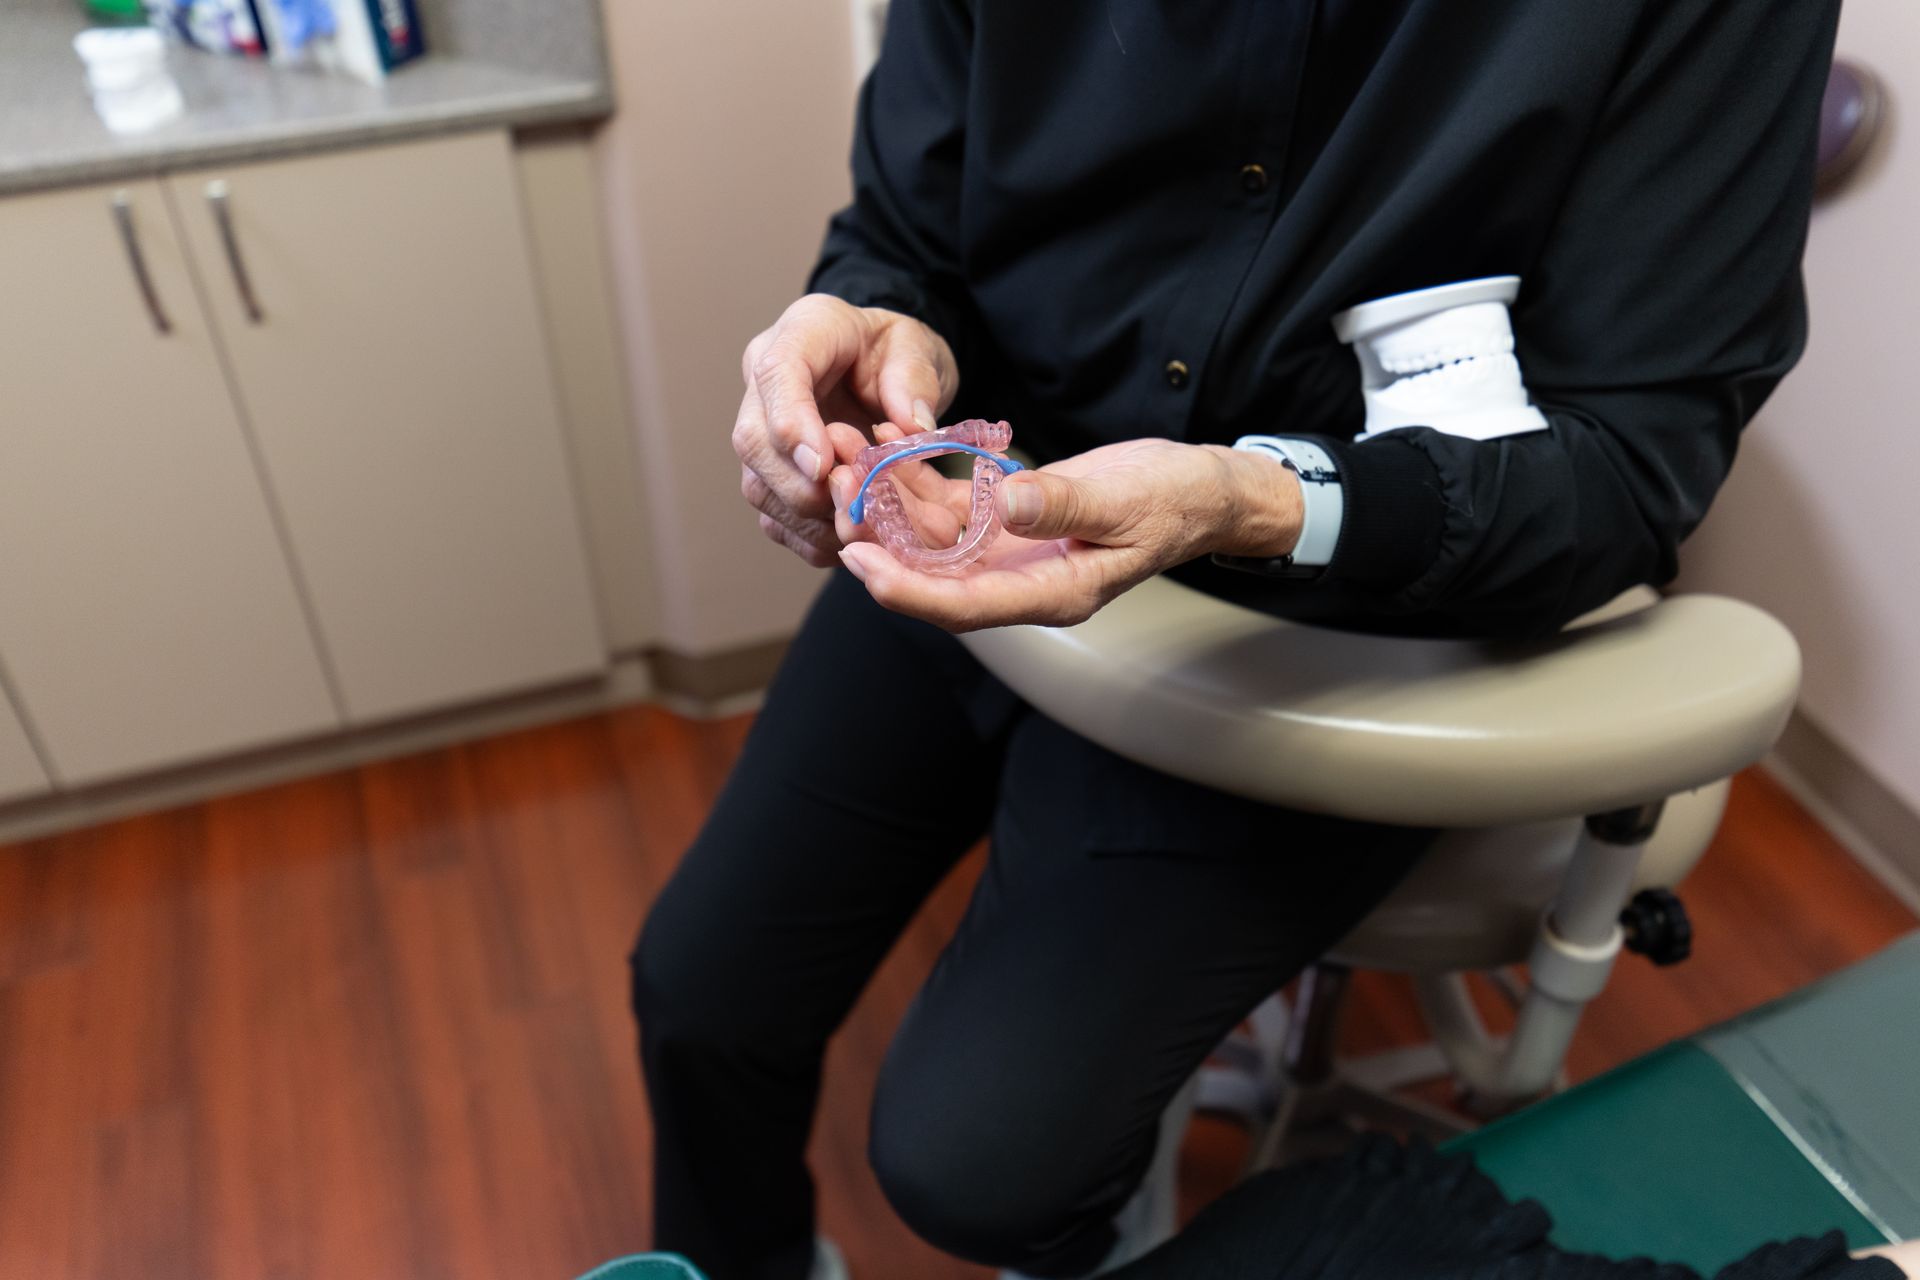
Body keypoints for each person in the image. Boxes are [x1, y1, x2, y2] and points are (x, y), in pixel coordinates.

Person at [630, 2, 1841, 1278]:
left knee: (978, 1165)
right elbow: (907, 229)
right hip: (991, 523)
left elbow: (1628, 468)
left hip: (1333, 608)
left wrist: (1252, 499)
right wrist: (875, 320)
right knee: (701, 992)